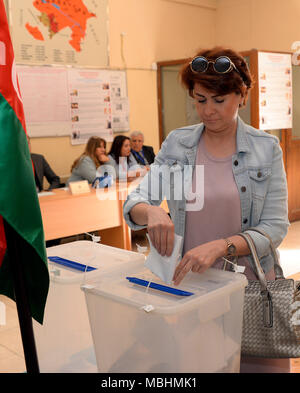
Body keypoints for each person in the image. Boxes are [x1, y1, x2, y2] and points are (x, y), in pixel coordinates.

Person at [123, 47, 289, 371]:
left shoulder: (266, 149)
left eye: (218, 100)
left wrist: (222, 246)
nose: (207, 111)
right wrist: (152, 211)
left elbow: (274, 227)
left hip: (251, 288)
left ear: (241, 95)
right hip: (194, 289)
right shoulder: (178, 144)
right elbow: (136, 200)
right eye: (200, 99)